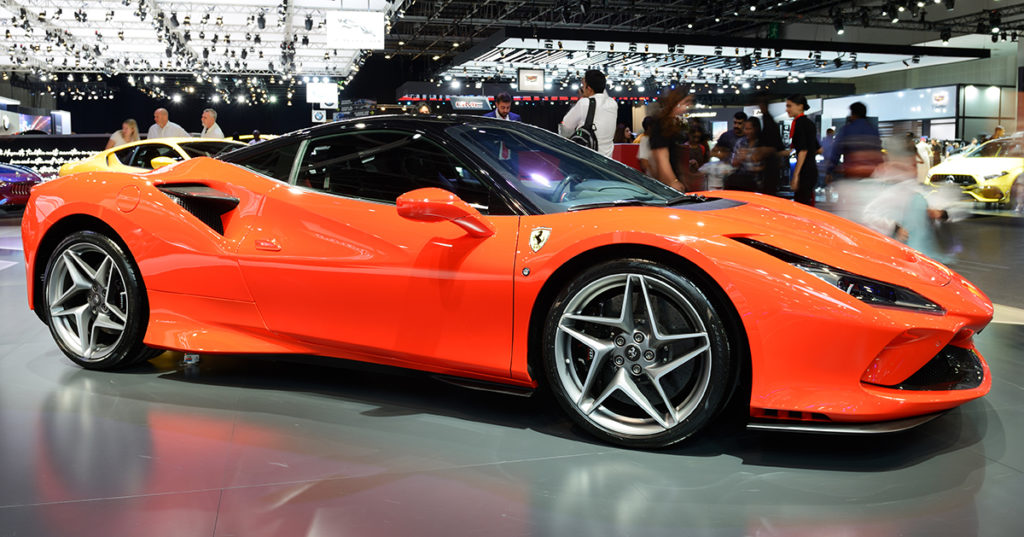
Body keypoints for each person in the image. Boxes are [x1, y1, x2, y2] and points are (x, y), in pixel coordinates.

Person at [558, 69, 617, 158]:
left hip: (588, 160)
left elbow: (566, 126)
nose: (582, 88)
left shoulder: (584, 103)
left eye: (583, 85)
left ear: (589, 89)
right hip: (608, 162)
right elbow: (601, 92)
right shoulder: (613, 104)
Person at [647, 87, 698, 191]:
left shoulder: (669, 123)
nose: (688, 106)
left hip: (669, 181)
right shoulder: (661, 124)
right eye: (686, 102)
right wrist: (673, 182)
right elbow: (661, 157)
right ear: (676, 102)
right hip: (666, 184)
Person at [826, 101, 883, 181]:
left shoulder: (846, 130)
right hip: (871, 176)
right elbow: (878, 153)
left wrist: (829, 171)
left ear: (853, 114)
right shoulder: (874, 131)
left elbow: (836, 152)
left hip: (852, 176)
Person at [786, 94, 819, 206]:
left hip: (805, 172)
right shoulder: (809, 123)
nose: (787, 109)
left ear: (800, 106)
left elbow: (803, 151)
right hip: (811, 169)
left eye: (789, 106)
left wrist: (796, 175)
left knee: (801, 204)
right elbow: (818, 149)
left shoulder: (799, 124)